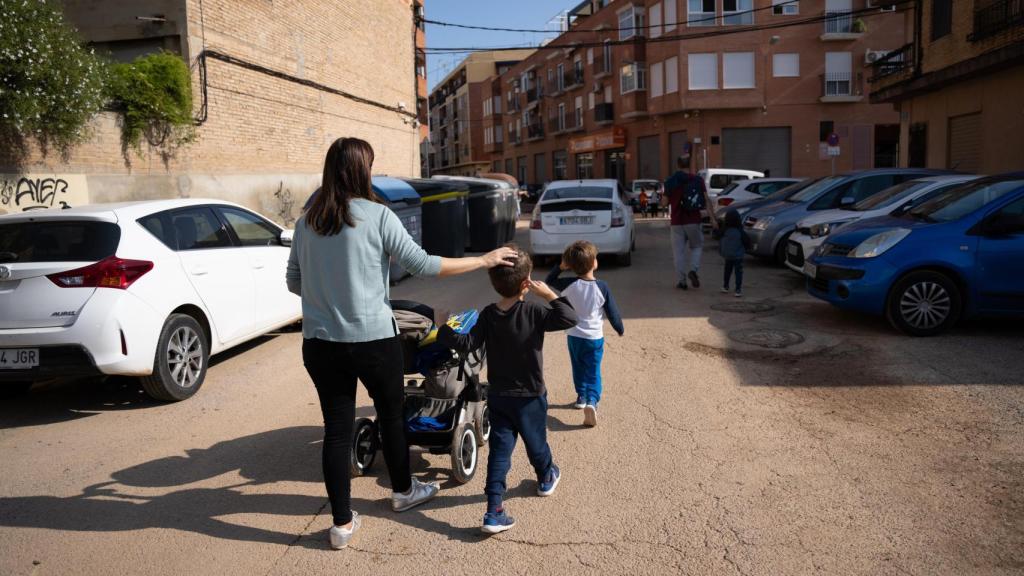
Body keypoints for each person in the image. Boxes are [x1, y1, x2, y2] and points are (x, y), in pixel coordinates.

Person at [286, 137, 516, 550]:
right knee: (391, 415)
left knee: (336, 431)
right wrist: (484, 260)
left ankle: (340, 525)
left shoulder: (307, 223)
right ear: (361, 171)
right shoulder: (377, 216)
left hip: (320, 343)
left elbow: (293, 282)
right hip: (373, 339)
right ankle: (403, 491)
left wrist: (328, 293)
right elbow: (424, 265)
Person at [437, 245, 577, 535]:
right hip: (530, 396)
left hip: (499, 396)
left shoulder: (488, 315)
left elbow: (465, 345)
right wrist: (549, 293)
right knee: (536, 443)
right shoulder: (535, 311)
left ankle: (494, 510)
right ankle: (545, 477)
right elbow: (569, 318)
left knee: (500, 451)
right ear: (527, 283)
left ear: (494, 283)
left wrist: (443, 328)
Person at [545, 241, 624, 427]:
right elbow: (612, 312)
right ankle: (592, 401)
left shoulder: (569, 284)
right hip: (594, 338)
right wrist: (619, 328)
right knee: (593, 370)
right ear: (594, 263)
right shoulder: (602, 287)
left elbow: (549, 281)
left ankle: (581, 396)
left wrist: (561, 267)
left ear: (572, 266)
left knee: (578, 366)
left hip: (574, 336)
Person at [662, 154, 717, 290]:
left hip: (676, 222)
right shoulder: (698, 180)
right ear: (689, 165)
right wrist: (712, 219)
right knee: (697, 246)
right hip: (693, 219)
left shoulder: (670, 181)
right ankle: (693, 270)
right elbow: (706, 200)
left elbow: (664, 203)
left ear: (677, 165)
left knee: (678, 253)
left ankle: (682, 282)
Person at [719, 209, 752, 297]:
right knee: (738, 272)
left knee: (727, 270)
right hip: (738, 255)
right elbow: (747, 242)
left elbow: (719, 236)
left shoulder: (725, 230)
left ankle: (725, 286)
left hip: (727, 254)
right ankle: (738, 289)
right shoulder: (740, 231)